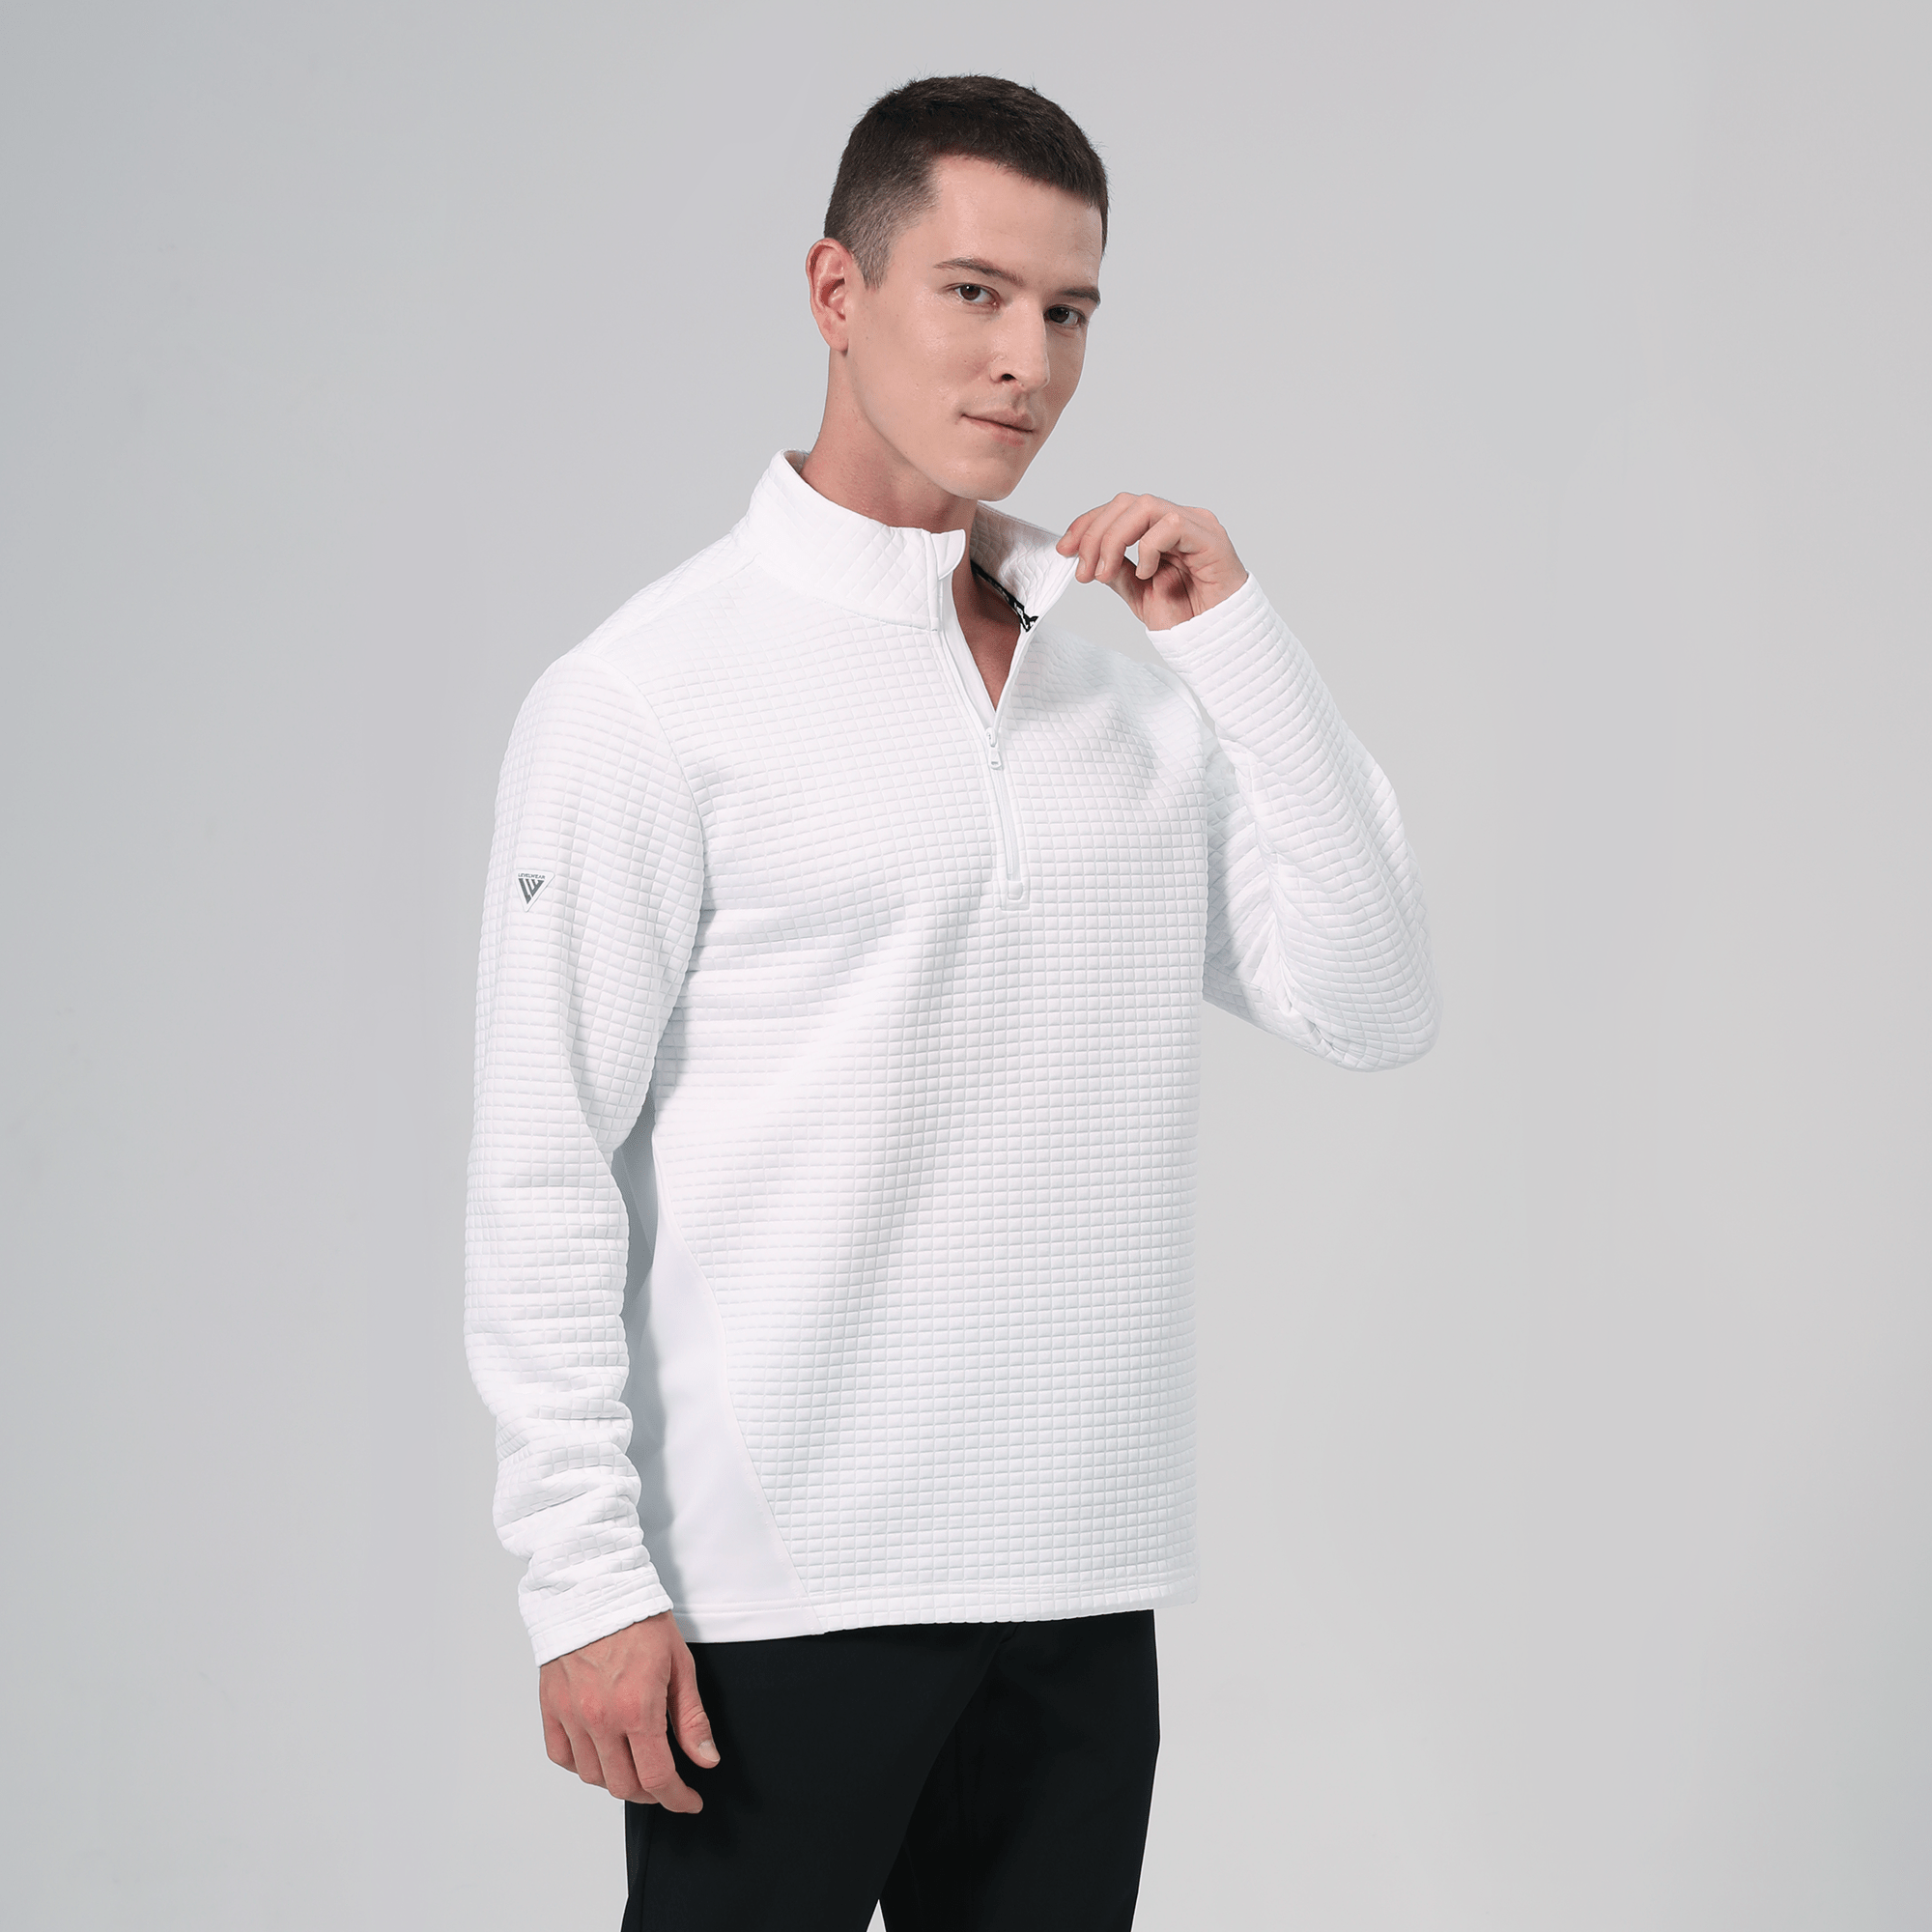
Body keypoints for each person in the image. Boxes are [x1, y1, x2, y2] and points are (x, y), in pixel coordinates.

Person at [465, 72, 1439, 1931]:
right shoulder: (648, 697)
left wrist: (1238, 641)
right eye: (974, 293)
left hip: (1081, 1574)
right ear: (837, 291)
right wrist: (582, 1577)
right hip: (776, 1592)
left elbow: (1375, 998)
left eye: (1068, 310)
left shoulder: (1128, 695)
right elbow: (541, 1159)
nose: (1027, 361)